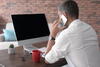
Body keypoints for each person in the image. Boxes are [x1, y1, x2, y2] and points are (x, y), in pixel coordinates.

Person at [44, 0, 100, 67]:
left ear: (64, 15)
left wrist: (52, 34)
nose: (59, 19)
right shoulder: (89, 27)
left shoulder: (67, 34)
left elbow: (47, 60)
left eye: (59, 15)